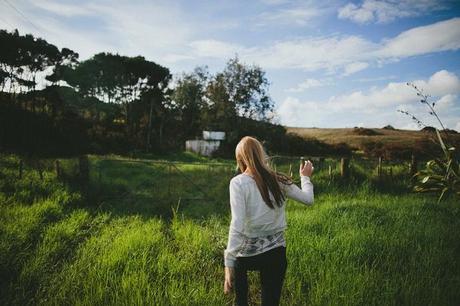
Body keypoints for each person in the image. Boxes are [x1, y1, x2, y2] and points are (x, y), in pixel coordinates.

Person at [223, 136, 314, 306]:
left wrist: (228, 264)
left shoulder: (238, 183)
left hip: (245, 256)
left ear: (240, 158)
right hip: (275, 254)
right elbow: (308, 199)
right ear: (261, 154)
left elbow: (237, 224)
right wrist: (305, 177)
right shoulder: (278, 180)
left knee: (240, 302)